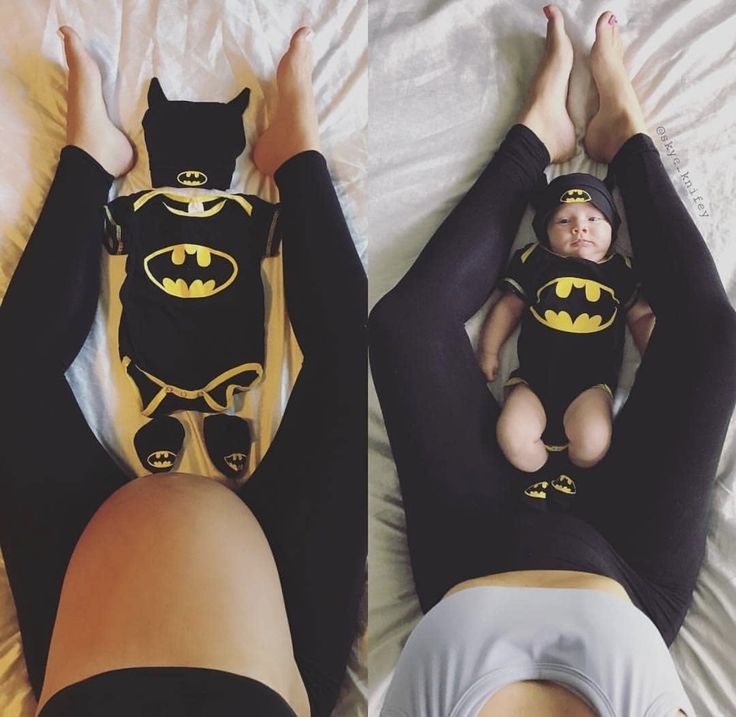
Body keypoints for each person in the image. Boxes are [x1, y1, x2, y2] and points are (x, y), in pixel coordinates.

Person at [369, 5, 735, 716]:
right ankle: (624, 138)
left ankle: (535, 138)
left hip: (471, 544)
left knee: (403, 328)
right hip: (628, 560)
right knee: (716, 342)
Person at [0, 25, 366, 717]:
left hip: (80, 606)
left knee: (14, 371)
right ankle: (295, 154)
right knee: (350, 356)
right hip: (282, 620)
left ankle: (89, 157)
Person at [477, 169, 656, 505]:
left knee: (592, 444)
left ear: (613, 228)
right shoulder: (535, 261)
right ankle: (542, 473)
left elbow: (641, 315)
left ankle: (572, 471)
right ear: (545, 230)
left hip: (590, 384)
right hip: (533, 381)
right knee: (512, 436)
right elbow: (508, 308)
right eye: (563, 221)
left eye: (594, 217)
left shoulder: (621, 270)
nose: (580, 227)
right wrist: (488, 351)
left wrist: (654, 356)